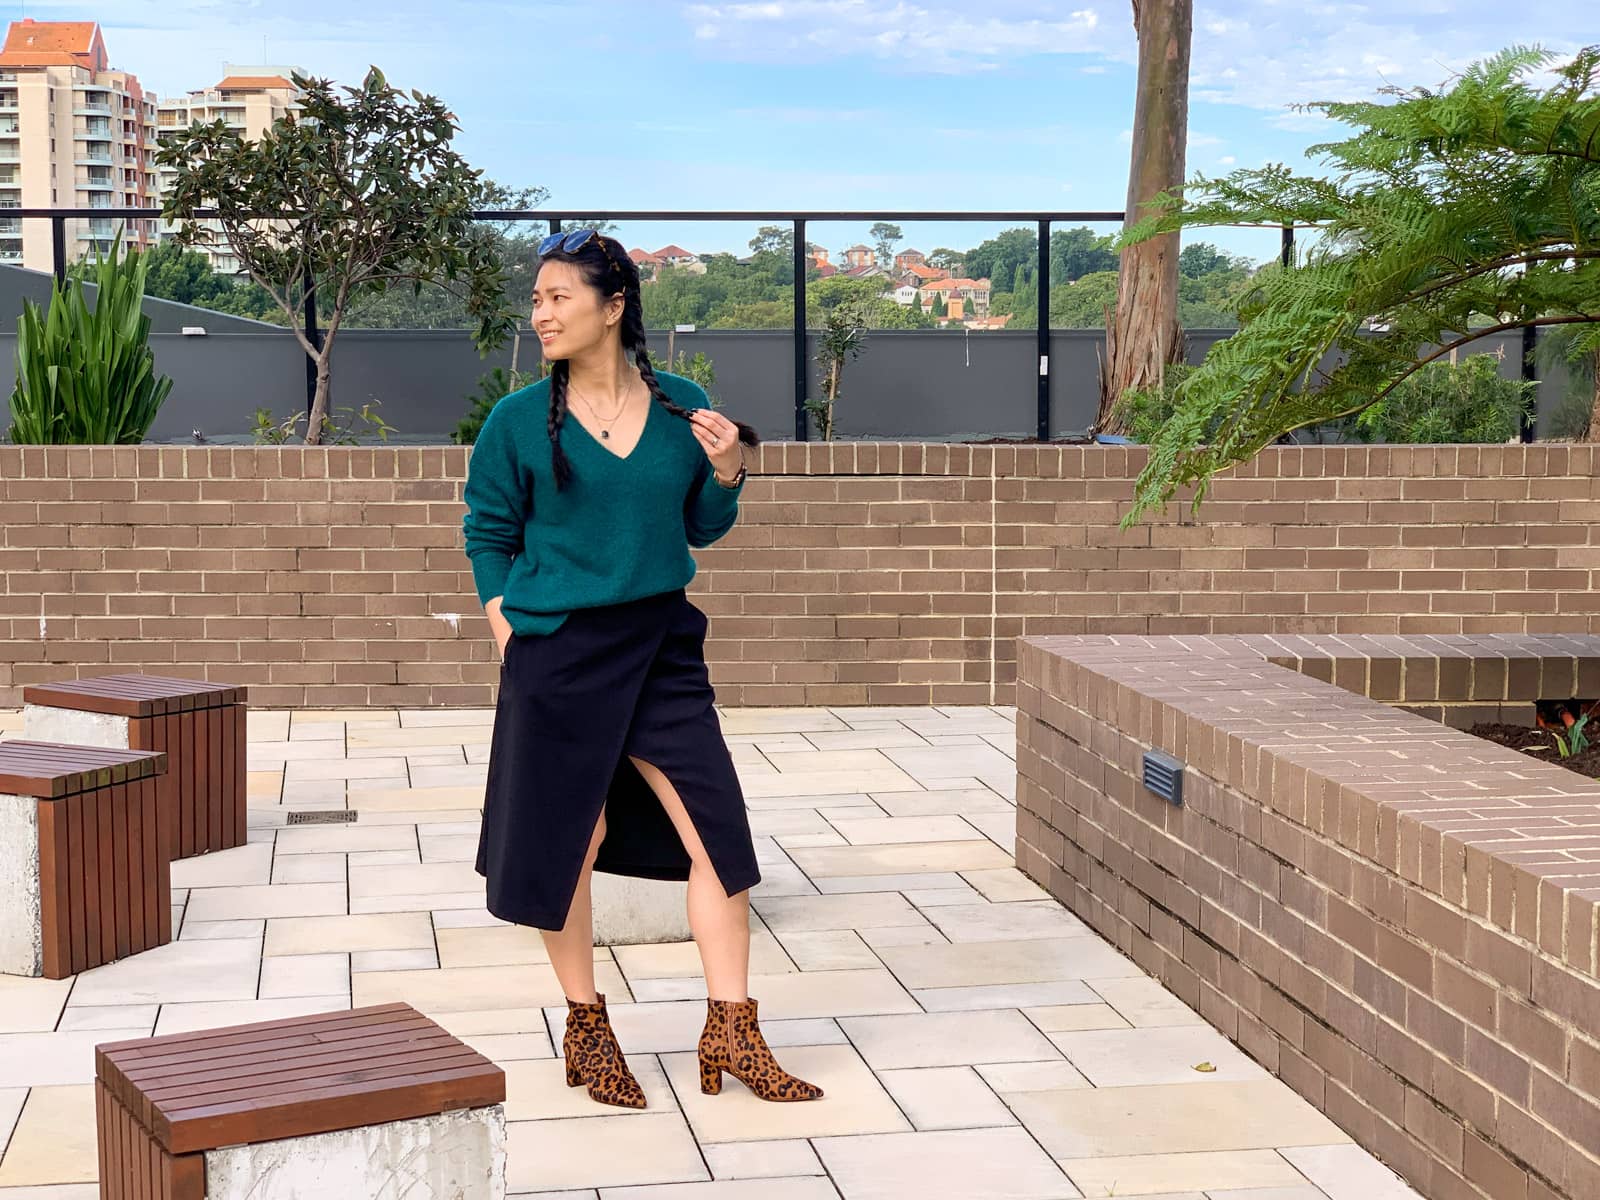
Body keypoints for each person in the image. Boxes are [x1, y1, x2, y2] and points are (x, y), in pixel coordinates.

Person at [462, 229, 823, 1109]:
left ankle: (732, 1029)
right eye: (537, 299)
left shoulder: (681, 405)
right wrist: (506, 628)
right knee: (568, 843)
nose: (540, 313)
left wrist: (730, 469)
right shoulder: (517, 421)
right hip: (559, 654)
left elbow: (700, 527)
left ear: (613, 305)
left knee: (719, 842)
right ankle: (587, 1027)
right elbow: (488, 533)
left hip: (661, 646)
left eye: (558, 297)